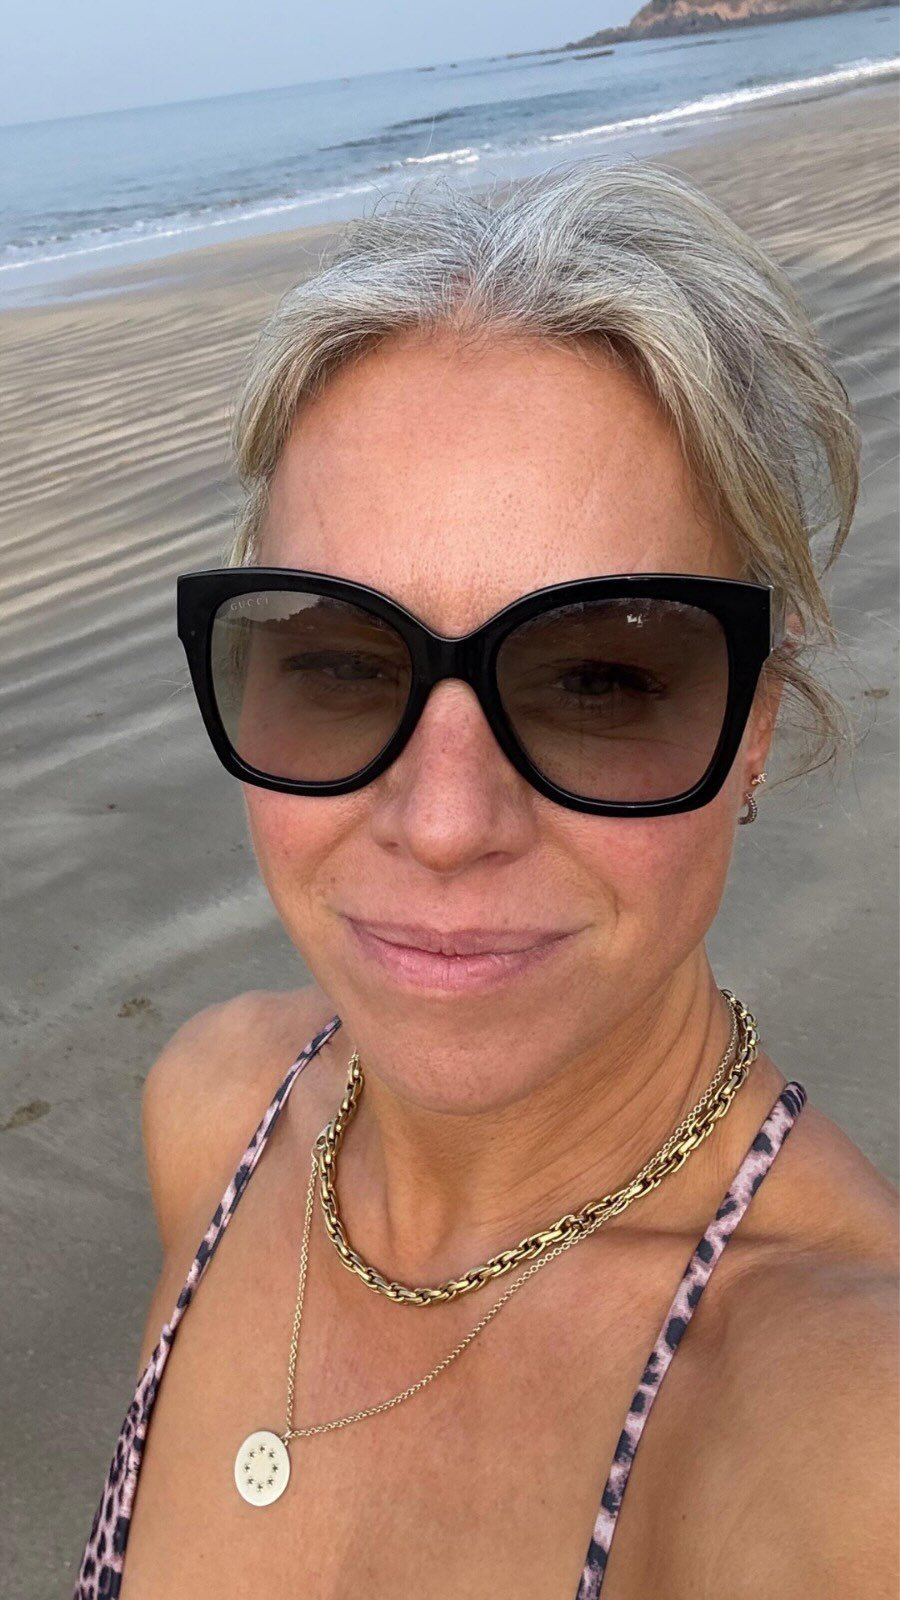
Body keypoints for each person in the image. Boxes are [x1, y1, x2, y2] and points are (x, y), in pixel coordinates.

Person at [74, 160, 897, 1600]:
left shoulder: (842, 1435)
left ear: (756, 723)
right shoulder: (213, 1111)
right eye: (344, 663)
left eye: (597, 679)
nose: (447, 822)